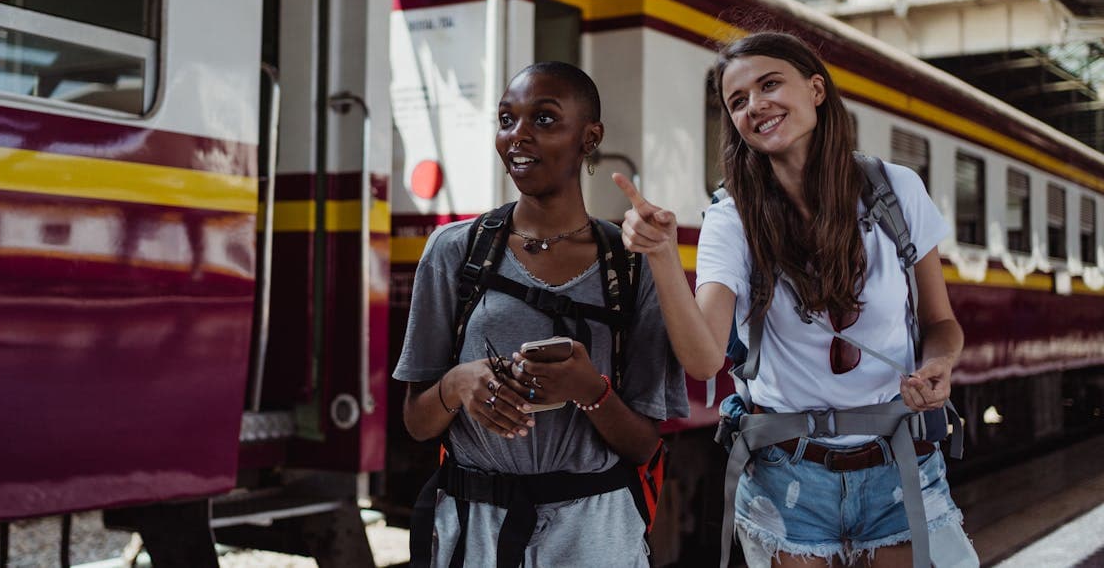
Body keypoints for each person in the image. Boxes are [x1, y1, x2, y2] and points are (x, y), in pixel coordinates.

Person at [614, 32, 973, 567]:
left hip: (900, 463)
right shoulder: (730, 218)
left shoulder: (896, 190)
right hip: (787, 476)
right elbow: (704, 357)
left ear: (816, 89)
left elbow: (941, 321)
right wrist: (664, 256)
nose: (755, 105)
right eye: (737, 101)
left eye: (769, 84)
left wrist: (939, 365)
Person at [393, 61, 689, 567]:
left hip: (595, 533)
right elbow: (418, 422)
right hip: (475, 528)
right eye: (506, 120)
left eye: (545, 120)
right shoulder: (455, 251)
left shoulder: (633, 263)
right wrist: (458, 384)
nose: (518, 137)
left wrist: (588, 390)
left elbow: (643, 445)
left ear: (590, 137)